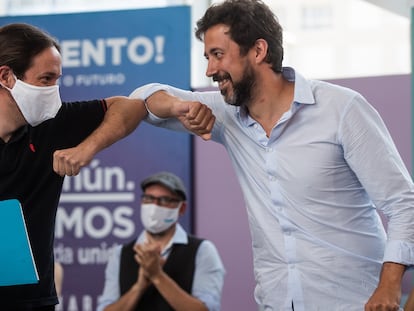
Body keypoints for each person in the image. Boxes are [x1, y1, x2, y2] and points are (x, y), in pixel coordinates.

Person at [129, 0, 414, 310]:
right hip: (276, 303)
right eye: (207, 57)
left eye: (218, 55)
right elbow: (141, 99)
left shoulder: (341, 109)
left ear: (258, 50)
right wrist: (179, 107)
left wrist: (389, 286)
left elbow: (403, 203)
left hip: (354, 302)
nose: (211, 70)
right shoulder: (225, 113)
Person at [0, 22, 151, 310]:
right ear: (6, 76)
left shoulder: (51, 125)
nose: (53, 90)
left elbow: (132, 107)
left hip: (33, 302)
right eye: (45, 79)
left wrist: (86, 149)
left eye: (57, 79)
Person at [97, 171, 225, 311]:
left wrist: (157, 276)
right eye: (149, 199)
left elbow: (206, 309)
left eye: (164, 200)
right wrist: (139, 287)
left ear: (181, 208)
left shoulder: (202, 251)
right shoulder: (121, 254)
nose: (154, 206)